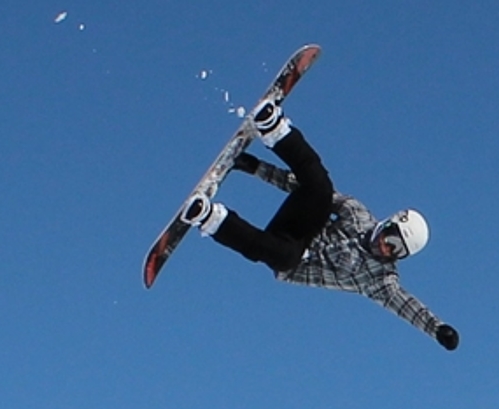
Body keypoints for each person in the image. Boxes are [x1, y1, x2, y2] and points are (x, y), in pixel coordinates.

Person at [181, 101, 459, 350]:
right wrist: (255, 167)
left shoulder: (379, 279)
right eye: (391, 238)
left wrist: (437, 329)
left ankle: (211, 219)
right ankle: (276, 130)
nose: (385, 247)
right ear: (387, 223)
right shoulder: (357, 213)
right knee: (323, 189)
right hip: (300, 224)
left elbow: (406, 305)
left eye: (395, 251)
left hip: (292, 257)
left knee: (283, 255)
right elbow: (302, 188)